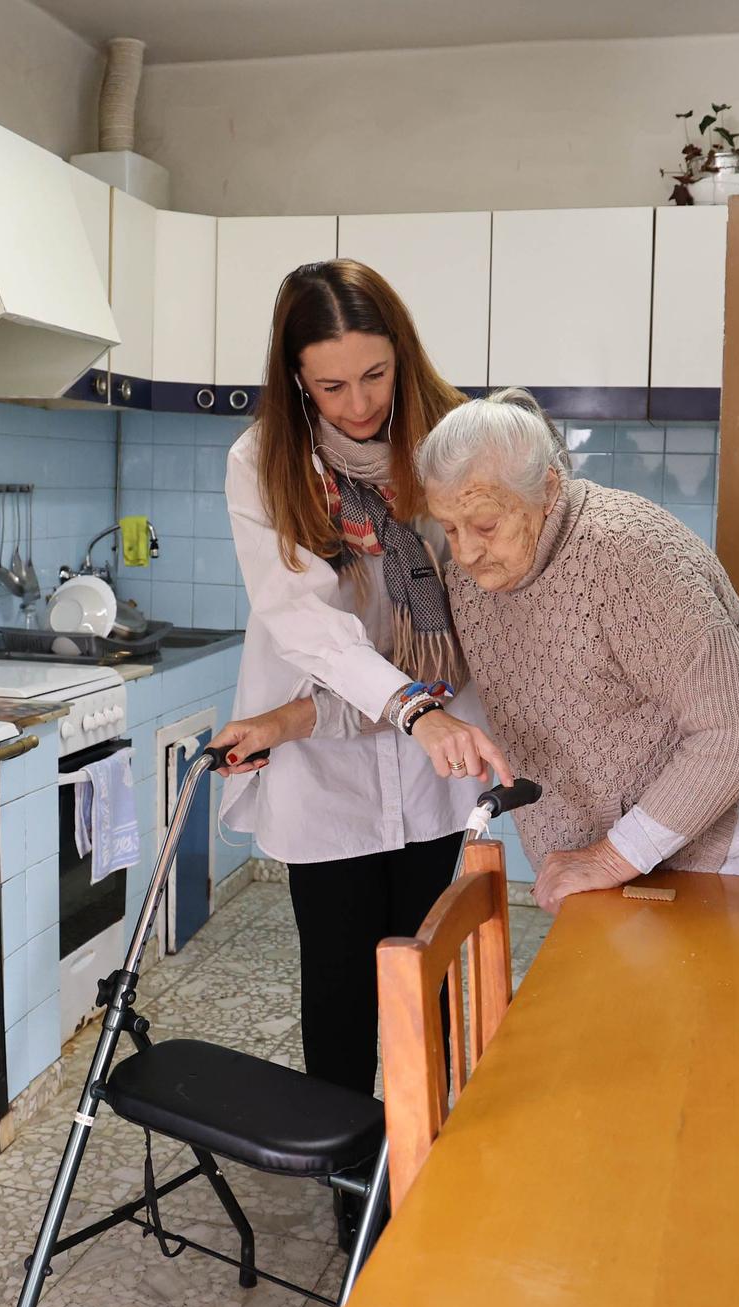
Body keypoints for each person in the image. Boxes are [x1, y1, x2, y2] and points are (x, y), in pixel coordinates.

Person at [210, 261, 512, 1118]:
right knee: (338, 980)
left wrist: (427, 710)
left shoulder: (453, 440)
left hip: (432, 763)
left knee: (425, 968)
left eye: (375, 374)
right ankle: (349, 1173)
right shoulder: (263, 462)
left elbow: (482, 596)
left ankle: (424, 1154)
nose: (358, 403)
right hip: (329, 766)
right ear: (295, 376)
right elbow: (307, 625)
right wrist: (407, 706)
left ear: (402, 354)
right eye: (331, 383)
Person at [415, 388, 739, 913]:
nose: (466, 551)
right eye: (449, 527)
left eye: (486, 525)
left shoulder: (627, 556)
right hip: (625, 836)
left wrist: (610, 859)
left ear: (546, 489)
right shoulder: (475, 576)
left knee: (695, 991)